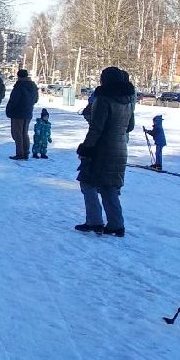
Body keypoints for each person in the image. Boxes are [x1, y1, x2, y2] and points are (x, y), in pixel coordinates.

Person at [74, 66, 135, 237]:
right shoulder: (128, 100)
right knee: (109, 187)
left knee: (87, 182)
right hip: (121, 148)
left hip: (102, 149)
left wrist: (85, 149)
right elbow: (130, 126)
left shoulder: (103, 99)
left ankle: (94, 221)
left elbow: (96, 129)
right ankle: (116, 225)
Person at [5, 68, 39, 160]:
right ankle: (26, 152)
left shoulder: (19, 86)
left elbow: (14, 100)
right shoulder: (33, 85)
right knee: (25, 133)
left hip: (17, 112)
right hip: (28, 112)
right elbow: (35, 99)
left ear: (18, 76)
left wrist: (9, 109)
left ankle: (20, 153)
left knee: (17, 133)